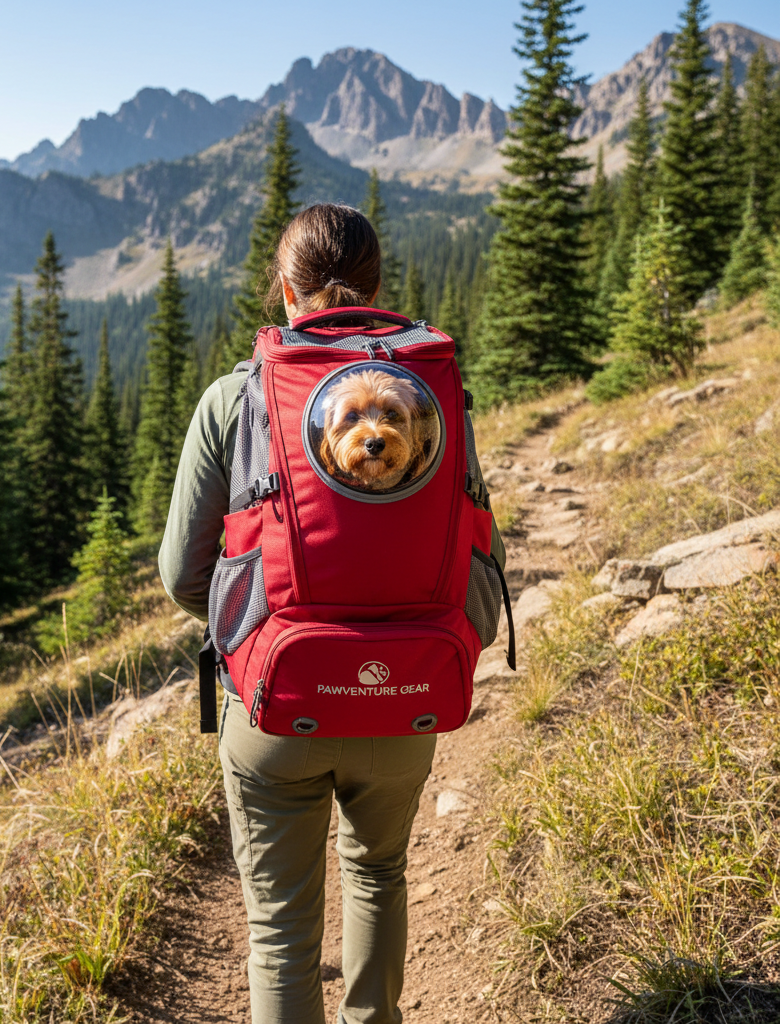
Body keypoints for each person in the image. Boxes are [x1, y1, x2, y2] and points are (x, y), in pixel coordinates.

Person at [159, 203, 503, 1024]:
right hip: (409, 691)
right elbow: (477, 545)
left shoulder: (233, 397)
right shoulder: (428, 398)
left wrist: (249, 626)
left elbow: (181, 574)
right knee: (379, 872)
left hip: (278, 702)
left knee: (279, 928)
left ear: (286, 292)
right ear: (377, 290)